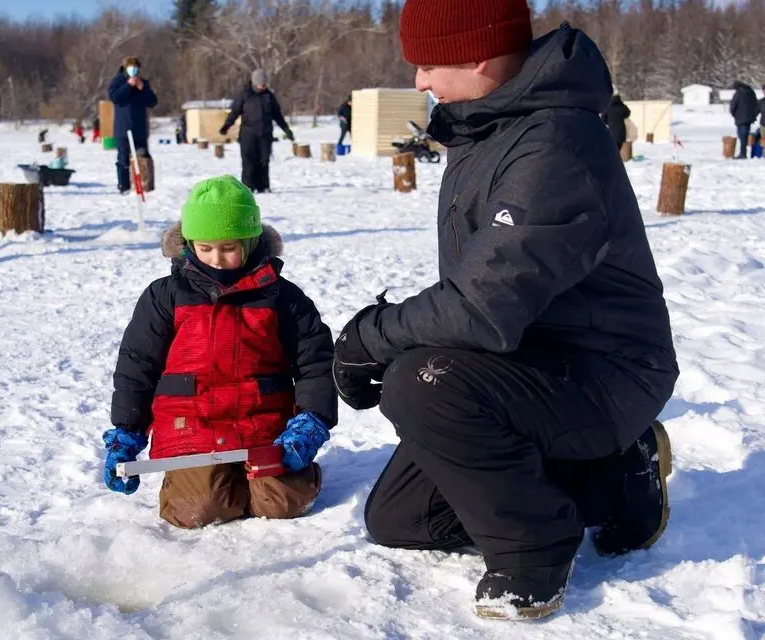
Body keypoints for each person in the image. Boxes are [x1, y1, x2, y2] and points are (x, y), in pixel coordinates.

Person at [331, 0, 678, 621]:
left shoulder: (556, 145)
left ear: (480, 55)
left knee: (422, 383)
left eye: (428, 63)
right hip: (528, 356)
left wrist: (371, 337)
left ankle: (535, 547)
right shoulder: (486, 126)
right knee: (403, 518)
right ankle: (611, 475)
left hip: (607, 369)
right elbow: (485, 294)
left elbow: (481, 307)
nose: (419, 81)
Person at [103, 175, 337, 529]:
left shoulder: (282, 297)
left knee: (283, 502)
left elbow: (315, 362)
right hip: (193, 425)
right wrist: (127, 431)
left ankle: (281, 476)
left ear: (250, 240)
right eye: (205, 248)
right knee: (198, 509)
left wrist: (311, 421)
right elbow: (138, 365)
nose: (216, 259)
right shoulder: (164, 296)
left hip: (264, 423)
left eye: (228, 248)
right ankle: (199, 478)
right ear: (188, 243)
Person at [219, 69, 294, 193]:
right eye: (260, 84)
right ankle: (248, 187)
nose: (262, 86)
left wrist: (287, 130)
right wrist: (226, 126)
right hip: (248, 133)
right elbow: (235, 112)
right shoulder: (244, 94)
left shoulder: (269, 96)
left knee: (264, 160)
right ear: (254, 82)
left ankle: (263, 186)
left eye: (264, 84)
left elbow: (277, 115)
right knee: (248, 161)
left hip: (265, 133)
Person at [108, 56, 157, 194]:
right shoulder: (117, 81)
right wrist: (128, 85)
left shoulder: (143, 83)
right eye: (131, 67)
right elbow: (115, 98)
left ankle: (145, 185)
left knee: (143, 156)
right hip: (123, 128)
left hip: (140, 128)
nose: (134, 70)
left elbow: (152, 101)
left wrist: (143, 89)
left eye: (136, 67)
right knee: (123, 159)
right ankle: (124, 187)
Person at [730, 80, 759, 159]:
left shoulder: (738, 94)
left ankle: (743, 154)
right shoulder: (752, 93)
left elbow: (733, 106)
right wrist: (753, 116)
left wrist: (734, 115)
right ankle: (743, 153)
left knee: (742, 136)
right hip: (749, 119)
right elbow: (756, 105)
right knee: (744, 136)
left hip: (740, 119)